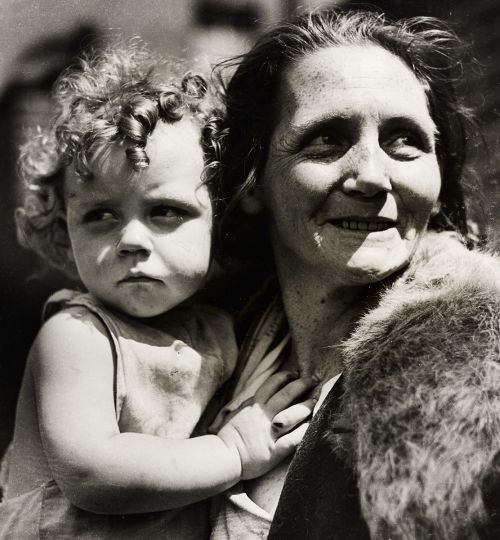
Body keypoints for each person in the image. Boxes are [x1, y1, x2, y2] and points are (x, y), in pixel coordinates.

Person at [0, 43, 315, 538]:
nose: (130, 240)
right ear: (64, 228)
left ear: (222, 219)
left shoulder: (220, 330)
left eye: (166, 211)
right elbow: (92, 473)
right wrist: (230, 452)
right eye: (99, 215)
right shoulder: (77, 336)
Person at [209, 8, 500, 539]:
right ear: (252, 183)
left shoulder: (485, 370)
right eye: (327, 139)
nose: (371, 175)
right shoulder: (210, 353)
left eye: (404, 140)